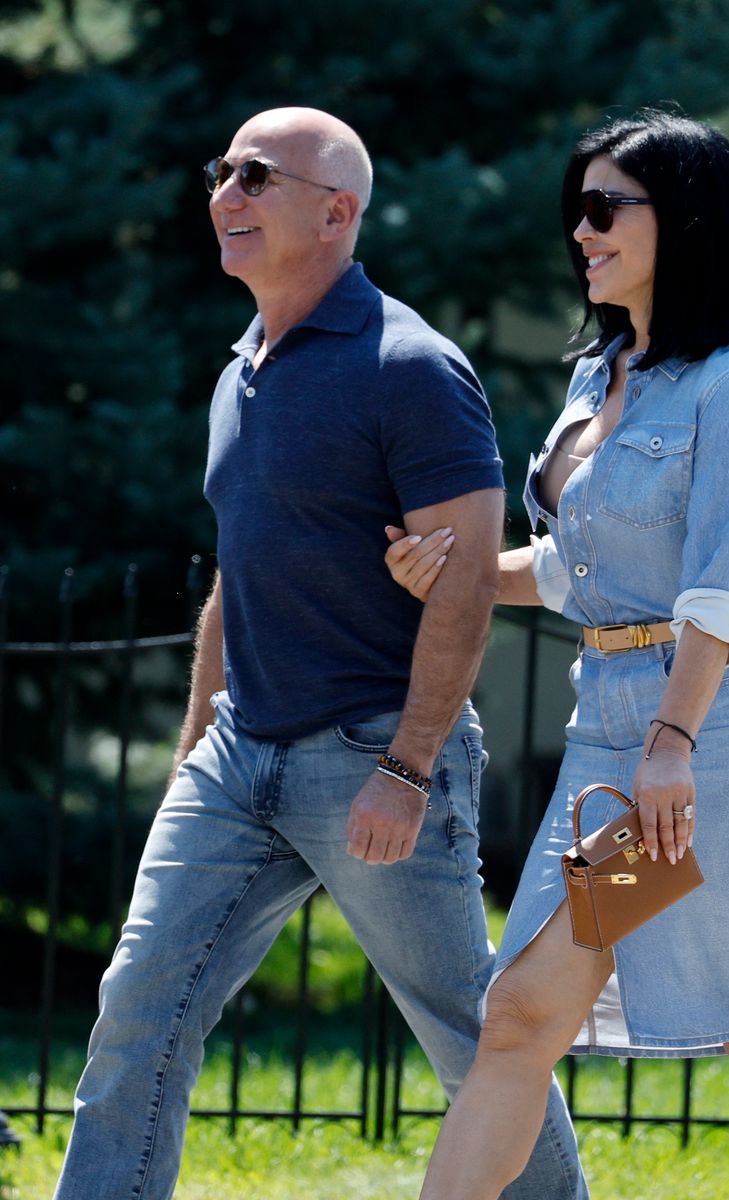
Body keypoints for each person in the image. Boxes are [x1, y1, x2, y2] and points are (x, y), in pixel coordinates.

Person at [53, 107, 588, 1200]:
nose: (226, 195)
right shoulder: (243, 363)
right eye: (223, 172)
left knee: (478, 1041)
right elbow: (237, 560)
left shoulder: (411, 367)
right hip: (238, 757)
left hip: (368, 758)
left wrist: (408, 763)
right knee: (137, 1015)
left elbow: (469, 581)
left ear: (337, 213)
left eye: (256, 176)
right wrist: (202, 727)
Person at [385, 111, 729, 1200]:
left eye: (604, 208)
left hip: (712, 747)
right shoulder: (602, 377)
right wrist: (451, 571)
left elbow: (715, 587)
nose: (580, 232)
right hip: (616, 736)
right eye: (574, 211)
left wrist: (673, 744)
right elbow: (576, 571)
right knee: (525, 1013)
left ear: (682, 219)